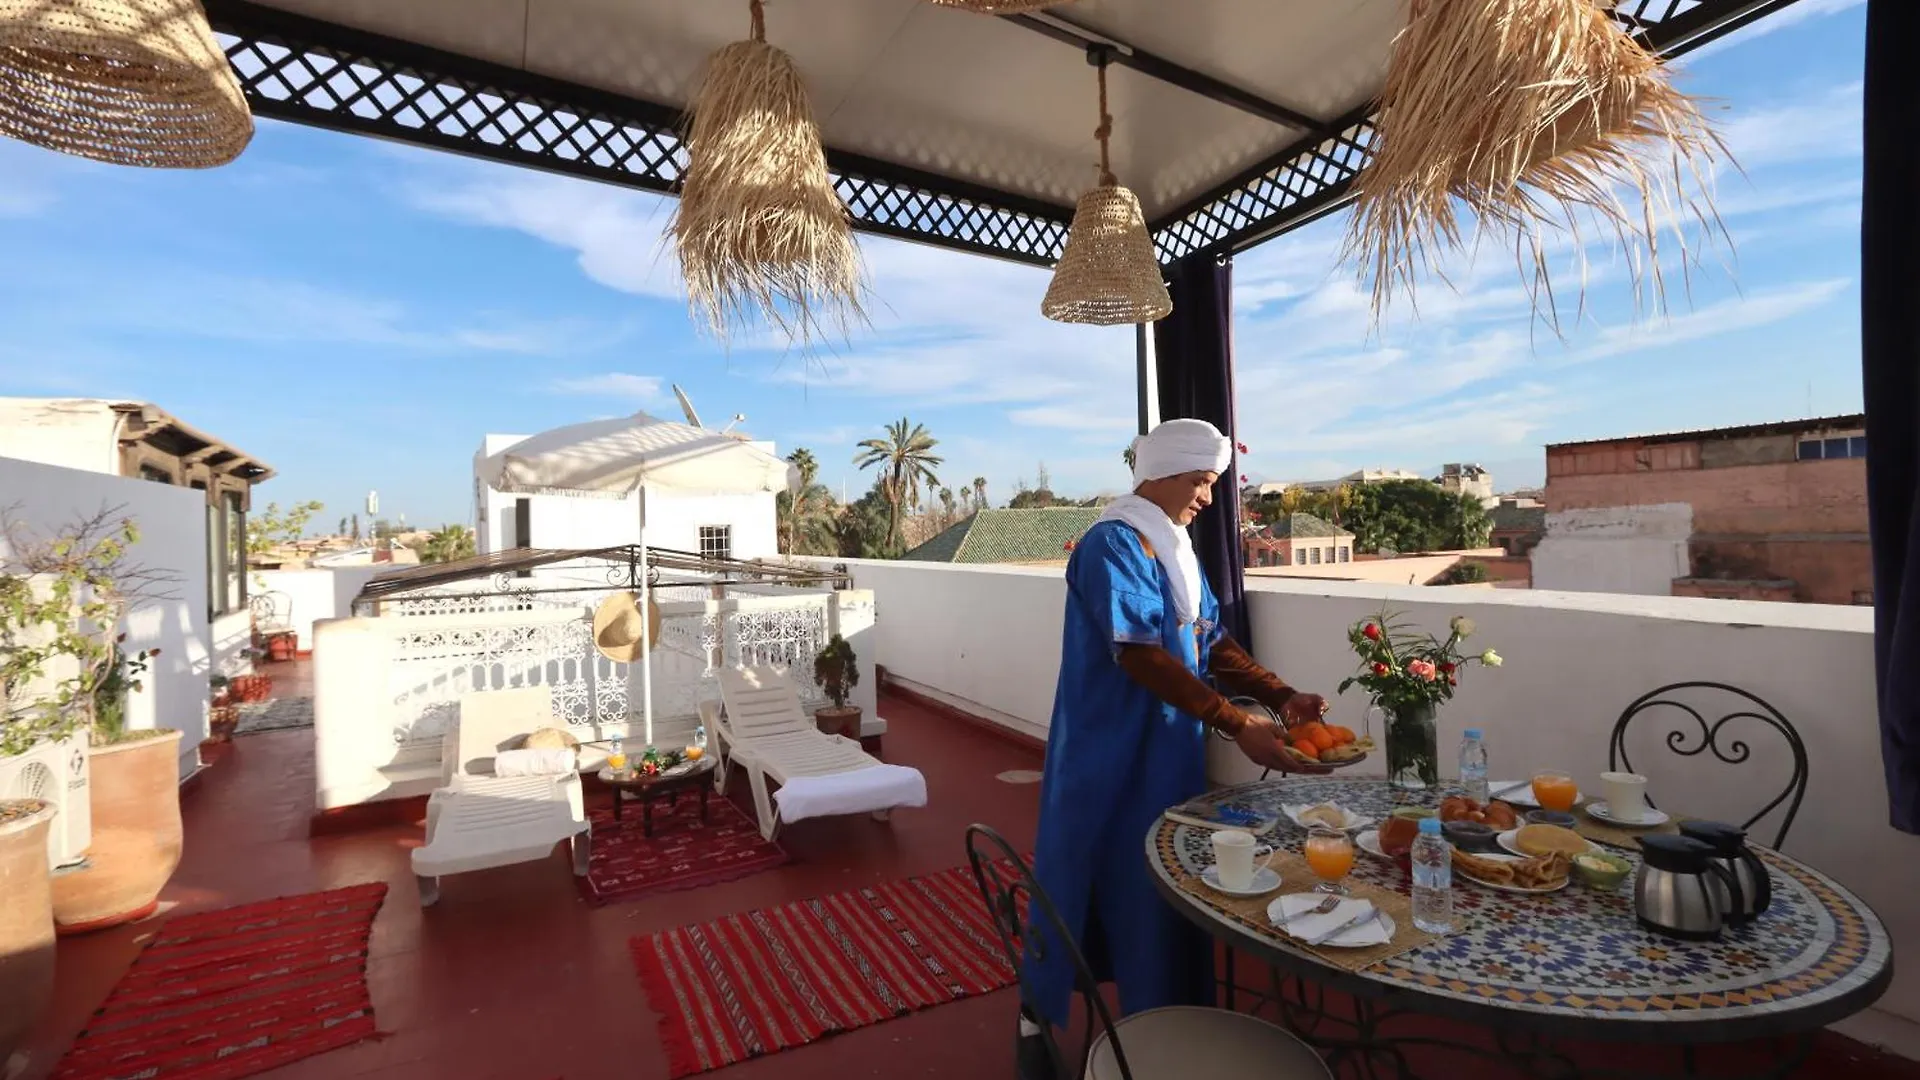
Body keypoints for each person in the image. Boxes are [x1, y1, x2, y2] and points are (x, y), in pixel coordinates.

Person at [1018, 418, 1329, 1074]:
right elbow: (1138, 652)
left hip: (1166, 749)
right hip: (1106, 750)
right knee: (1087, 875)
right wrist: (1235, 723)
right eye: (1200, 482)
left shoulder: (1175, 548)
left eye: (1212, 483)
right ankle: (1041, 1026)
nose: (1207, 498)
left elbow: (1211, 638)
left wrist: (1280, 697)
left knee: (1157, 884)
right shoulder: (1114, 545)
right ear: (1158, 475)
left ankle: (1159, 1021)